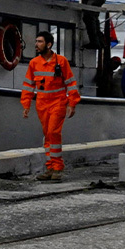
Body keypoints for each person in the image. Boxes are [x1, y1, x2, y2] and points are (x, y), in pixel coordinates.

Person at [21, 31, 80, 181]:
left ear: (49, 44)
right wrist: (26, 104)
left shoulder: (61, 61)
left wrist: (72, 103)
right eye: (36, 41)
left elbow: (71, 83)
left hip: (58, 102)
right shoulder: (34, 63)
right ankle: (50, 167)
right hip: (41, 103)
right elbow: (28, 86)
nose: (36, 45)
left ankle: (58, 168)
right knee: (47, 134)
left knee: (53, 132)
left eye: (40, 42)